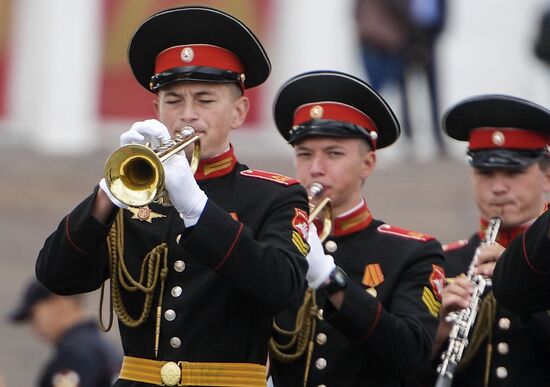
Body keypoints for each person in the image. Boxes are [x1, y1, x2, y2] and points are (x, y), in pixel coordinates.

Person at [35, 6, 309, 387]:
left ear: (239, 111)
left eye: (205, 100)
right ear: (156, 109)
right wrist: (107, 193)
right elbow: (56, 275)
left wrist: (197, 208)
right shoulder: (134, 192)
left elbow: (283, 288)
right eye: (174, 100)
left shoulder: (275, 197)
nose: (188, 115)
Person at [268, 70, 446, 386]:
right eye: (304, 154)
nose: (316, 168)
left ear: (368, 163)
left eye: (334, 153)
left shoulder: (412, 253)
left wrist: (331, 280)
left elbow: (412, 352)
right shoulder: (274, 240)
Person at [428, 95, 550, 386]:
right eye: (485, 173)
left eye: (513, 173)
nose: (497, 187)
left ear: (547, 176)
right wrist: (437, 334)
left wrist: (517, 277)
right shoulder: (440, 262)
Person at [355, 0, 447, 157]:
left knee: (430, 90)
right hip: (397, 42)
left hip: (424, 38)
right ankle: (404, 137)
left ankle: (436, 137)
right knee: (396, 91)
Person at [9, 278, 121, 387]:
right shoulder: (102, 346)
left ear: (58, 304)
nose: (33, 327)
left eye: (34, 316)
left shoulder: (73, 354)